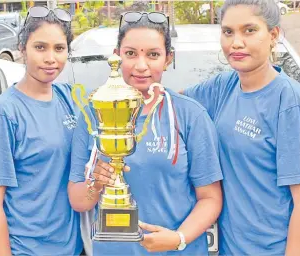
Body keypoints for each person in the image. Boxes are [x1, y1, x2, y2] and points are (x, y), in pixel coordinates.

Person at [68, 11, 223, 255]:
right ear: (117, 56)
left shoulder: (190, 115)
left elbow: (210, 198)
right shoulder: (93, 113)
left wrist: (179, 238)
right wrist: (97, 183)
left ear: (168, 58)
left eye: (153, 54)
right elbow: (78, 201)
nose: (141, 65)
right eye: (131, 53)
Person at [181, 0, 300, 255]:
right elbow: (172, 103)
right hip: (236, 249)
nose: (236, 42)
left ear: (273, 35)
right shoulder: (225, 86)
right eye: (228, 32)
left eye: (249, 30)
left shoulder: (288, 101)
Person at [0, 6, 83, 256]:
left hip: (70, 247)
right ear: (22, 50)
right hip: (24, 248)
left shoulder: (70, 98)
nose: (50, 58)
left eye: (59, 48)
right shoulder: (4, 113)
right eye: (40, 47)